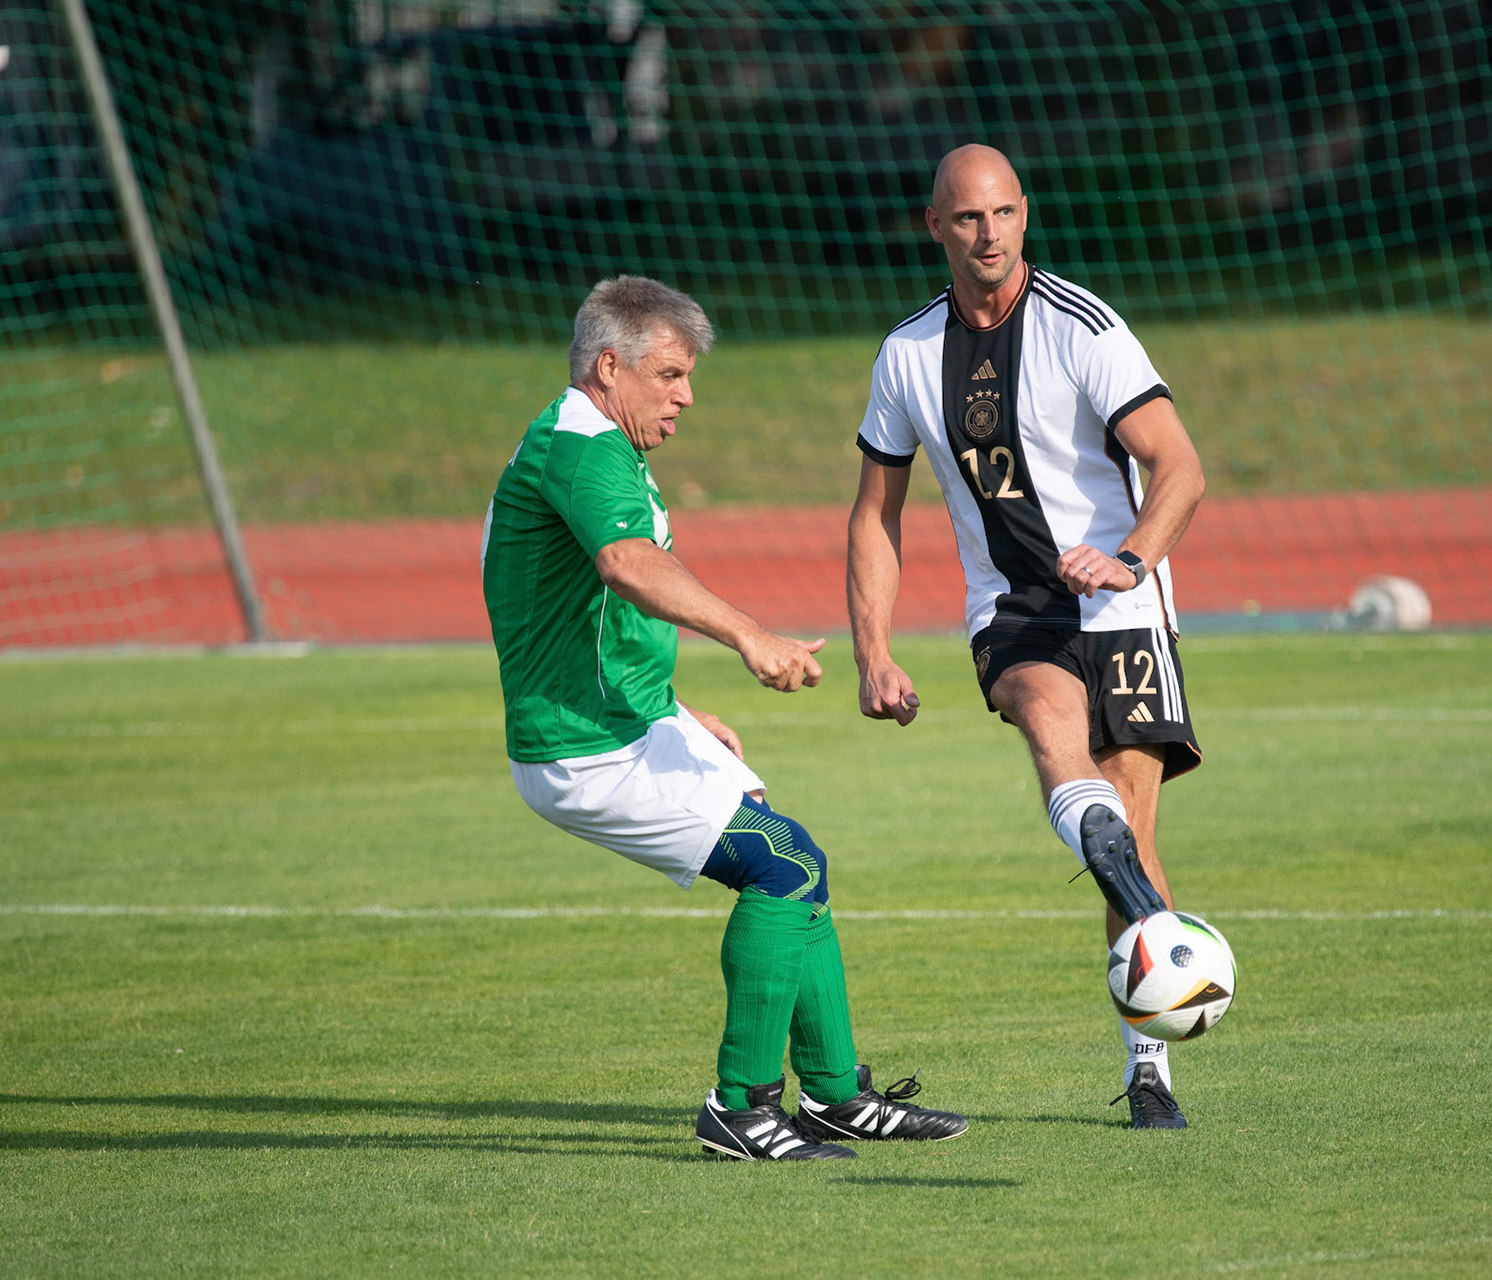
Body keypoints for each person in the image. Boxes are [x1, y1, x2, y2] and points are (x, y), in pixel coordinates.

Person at [483, 275, 968, 1160]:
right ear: (608, 366)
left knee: (798, 863)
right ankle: (740, 1106)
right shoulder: (583, 450)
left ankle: (835, 1097)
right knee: (781, 870)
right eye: (668, 375)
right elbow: (627, 566)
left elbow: (572, 615)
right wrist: (750, 636)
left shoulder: (591, 443)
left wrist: (672, 706)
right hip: (583, 749)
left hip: (622, 722)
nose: (686, 396)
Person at [844, 146, 1209, 1130]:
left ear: (1026, 215)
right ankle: (1099, 842)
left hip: (1124, 603)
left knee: (1133, 822)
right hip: (1011, 609)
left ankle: (1149, 1066)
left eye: (1004, 213)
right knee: (1050, 721)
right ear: (936, 227)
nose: (989, 233)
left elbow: (1178, 465)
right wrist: (872, 649)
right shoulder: (908, 354)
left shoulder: (1085, 327)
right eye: (968, 218)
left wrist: (1130, 556)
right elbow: (877, 511)